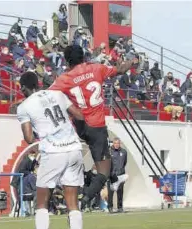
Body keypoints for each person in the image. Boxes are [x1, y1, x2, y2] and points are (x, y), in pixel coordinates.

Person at [49, 45, 133, 209]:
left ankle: (115, 180)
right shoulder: (96, 69)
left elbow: (47, 94)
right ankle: (85, 198)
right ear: (83, 57)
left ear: (67, 60)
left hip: (80, 126)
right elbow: (120, 70)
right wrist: (131, 62)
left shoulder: (64, 78)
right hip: (96, 126)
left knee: (105, 163)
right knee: (103, 172)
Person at [16, 71, 85, 229]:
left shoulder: (23, 107)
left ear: (23, 88)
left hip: (54, 151)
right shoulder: (57, 94)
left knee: (42, 202)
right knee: (73, 202)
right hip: (74, 148)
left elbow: (28, 138)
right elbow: (79, 115)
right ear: (38, 84)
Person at [107, 138, 128, 213]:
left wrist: (121, 171)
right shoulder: (109, 151)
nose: (116, 145)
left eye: (118, 143)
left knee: (120, 192)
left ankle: (120, 207)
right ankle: (110, 207)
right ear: (113, 143)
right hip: (112, 175)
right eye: (115, 143)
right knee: (110, 192)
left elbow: (125, 162)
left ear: (120, 144)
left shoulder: (124, 152)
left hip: (121, 175)